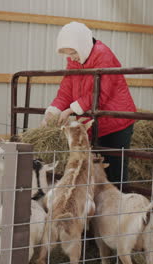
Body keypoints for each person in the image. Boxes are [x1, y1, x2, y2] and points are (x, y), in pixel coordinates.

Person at [41, 22, 137, 184]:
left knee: (114, 173)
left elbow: (101, 94)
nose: (71, 57)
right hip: (93, 123)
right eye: (67, 54)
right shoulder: (75, 61)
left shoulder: (103, 56)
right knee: (94, 172)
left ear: (82, 45)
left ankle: (118, 208)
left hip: (116, 123)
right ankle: (98, 208)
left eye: (72, 53)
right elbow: (66, 90)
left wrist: (71, 110)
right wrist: (54, 111)